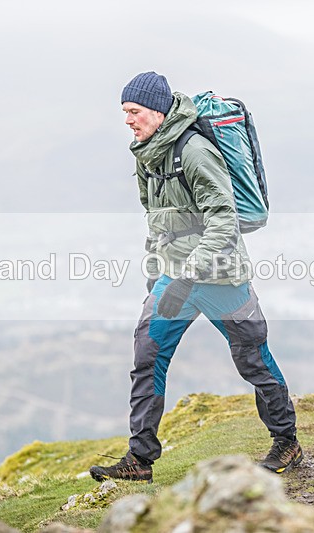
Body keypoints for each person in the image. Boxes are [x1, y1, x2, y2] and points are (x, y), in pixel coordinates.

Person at [89, 72, 301, 483]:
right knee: (147, 355)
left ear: (156, 110)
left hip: (222, 277)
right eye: (124, 114)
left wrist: (187, 276)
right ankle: (140, 459)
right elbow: (158, 222)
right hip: (176, 276)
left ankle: (286, 441)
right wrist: (158, 275)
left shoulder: (195, 150)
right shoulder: (147, 154)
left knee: (253, 359)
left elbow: (224, 221)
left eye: (133, 112)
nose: (128, 121)